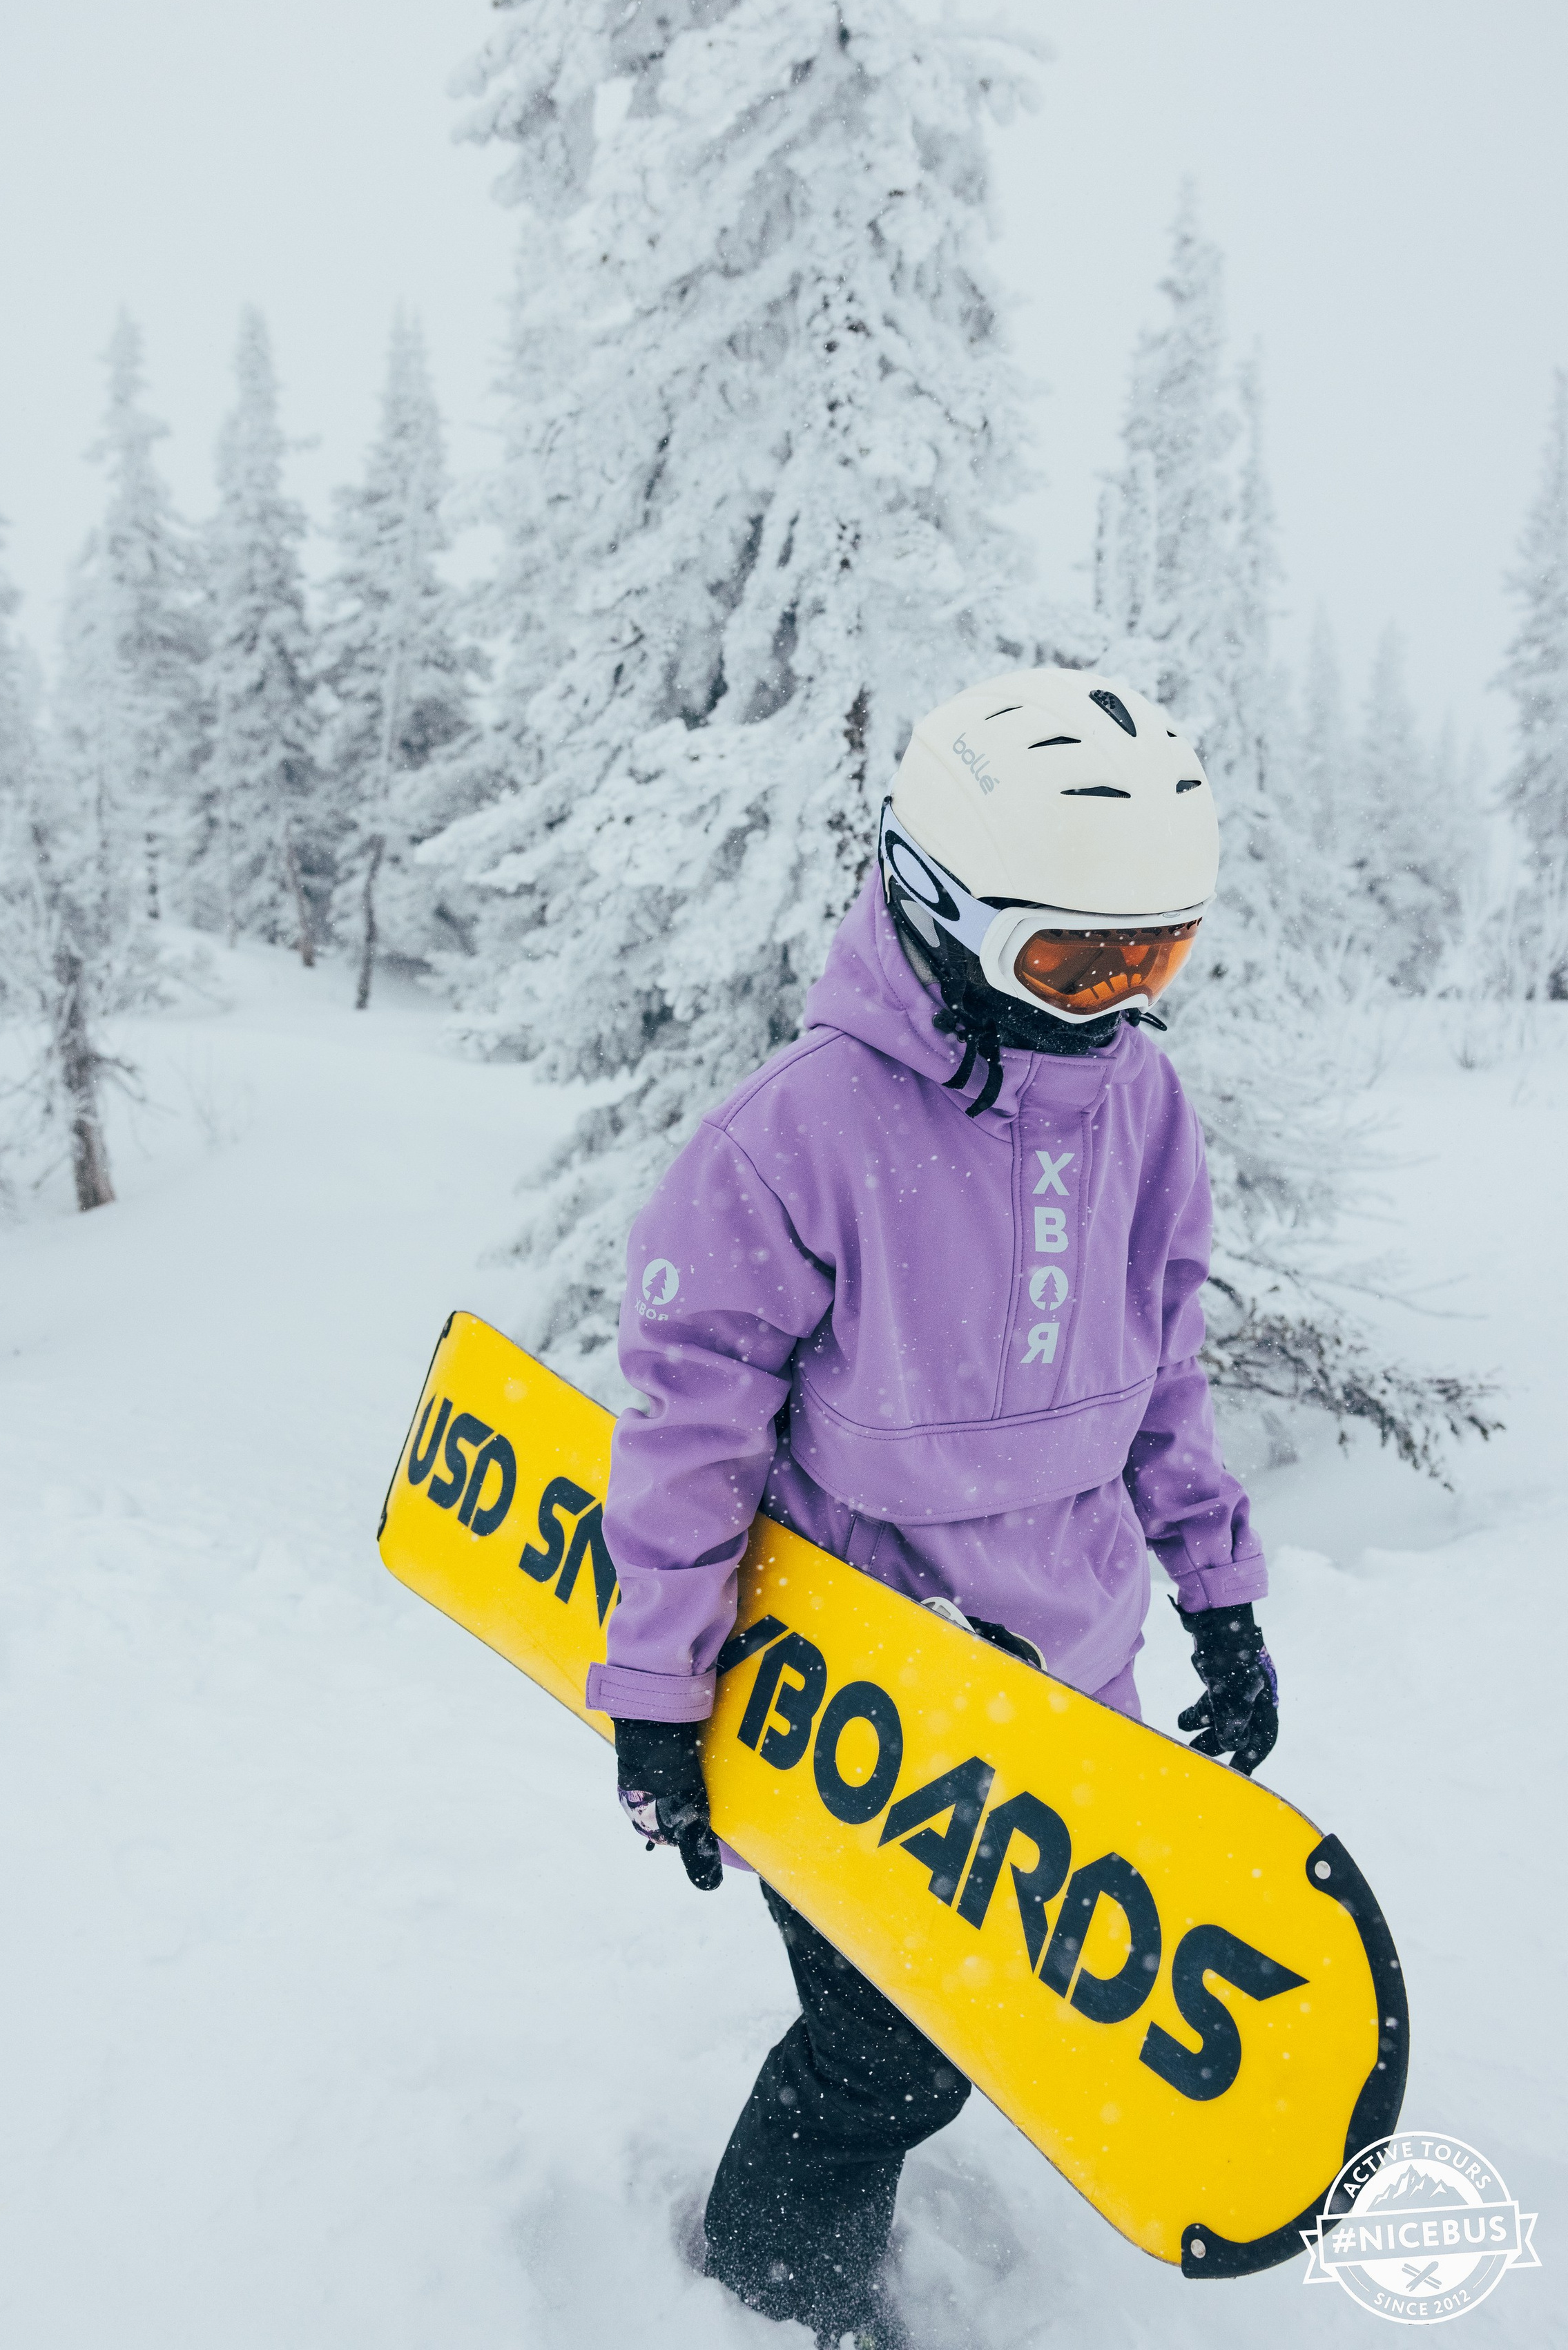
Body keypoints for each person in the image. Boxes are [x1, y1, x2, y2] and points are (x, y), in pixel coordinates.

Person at [582, 669, 1278, 2349]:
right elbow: (689, 1438)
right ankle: (772, 2298)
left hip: (1062, 1690)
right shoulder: (791, 1137)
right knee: (884, 2043)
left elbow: (1158, 1365)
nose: (1115, 1004)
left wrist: (1218, 1590)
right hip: (857, 1692)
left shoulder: (1140, 1105)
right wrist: (661, 1700)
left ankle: (816, 2243)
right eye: (1074, 960)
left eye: (1150, 959)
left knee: (964, 2030)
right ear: (945, 908)